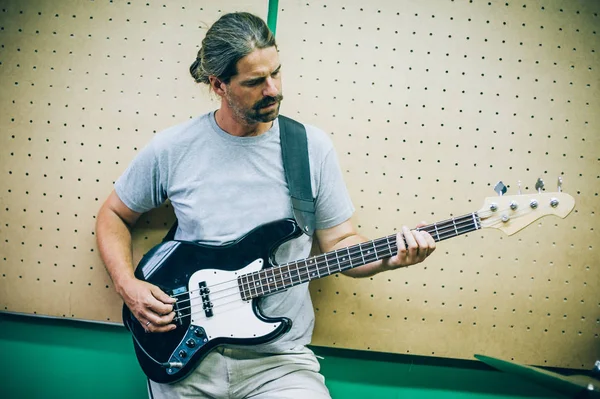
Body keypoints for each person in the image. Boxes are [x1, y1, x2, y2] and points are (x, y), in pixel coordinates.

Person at [95, 11, 436, 399]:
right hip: (183, 356)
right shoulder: (173, 148)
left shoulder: (309, 148)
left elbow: (340, 241)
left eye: (276, 72)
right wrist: (128, 286)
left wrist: (390, 257)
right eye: (255, 81)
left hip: (279, 362)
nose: (273, 89)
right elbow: (114, 215)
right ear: (218, 84)